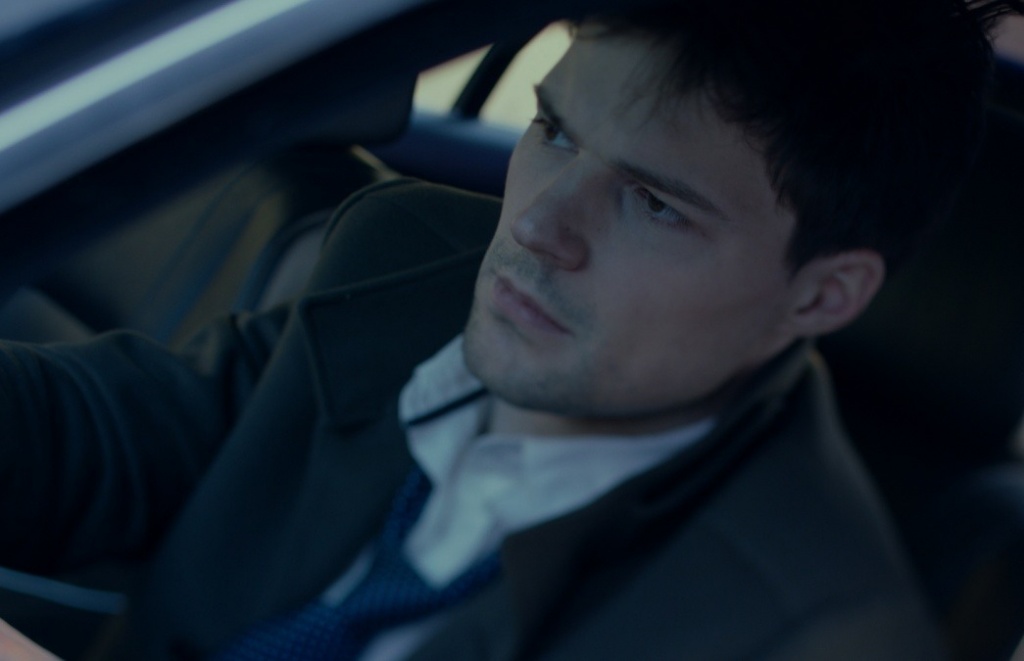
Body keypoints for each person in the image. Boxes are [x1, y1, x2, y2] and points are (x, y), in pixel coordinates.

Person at [0, 0, 1018, 658]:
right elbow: (98, 436)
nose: (535, 225)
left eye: (654, 204)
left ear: (823, 295)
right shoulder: (406, 262)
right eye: (554, 130)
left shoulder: (807, 633)